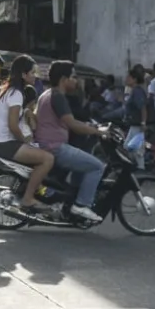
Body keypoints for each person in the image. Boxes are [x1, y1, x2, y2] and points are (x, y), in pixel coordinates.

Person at [32, 60, 107, 223]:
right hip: (55, 148)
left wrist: (90, 126)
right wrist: (97, 131)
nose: (75, 80)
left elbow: (70, 121)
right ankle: (81, 205)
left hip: (47, 145)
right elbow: (72, 124)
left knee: (83, 165)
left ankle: (71, 202)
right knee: (97, 166)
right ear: (63, 79)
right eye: (73, 77)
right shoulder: (58, 97)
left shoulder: (48, 93)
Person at [0, 55, 52, 214]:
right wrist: (25, 142)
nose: (34, 76)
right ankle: (28, 198)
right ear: (23, 74)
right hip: (5, 143)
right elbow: (13, 125)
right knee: (47, 159)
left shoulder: (9, 91)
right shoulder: (16, 94)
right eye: (31, 73)